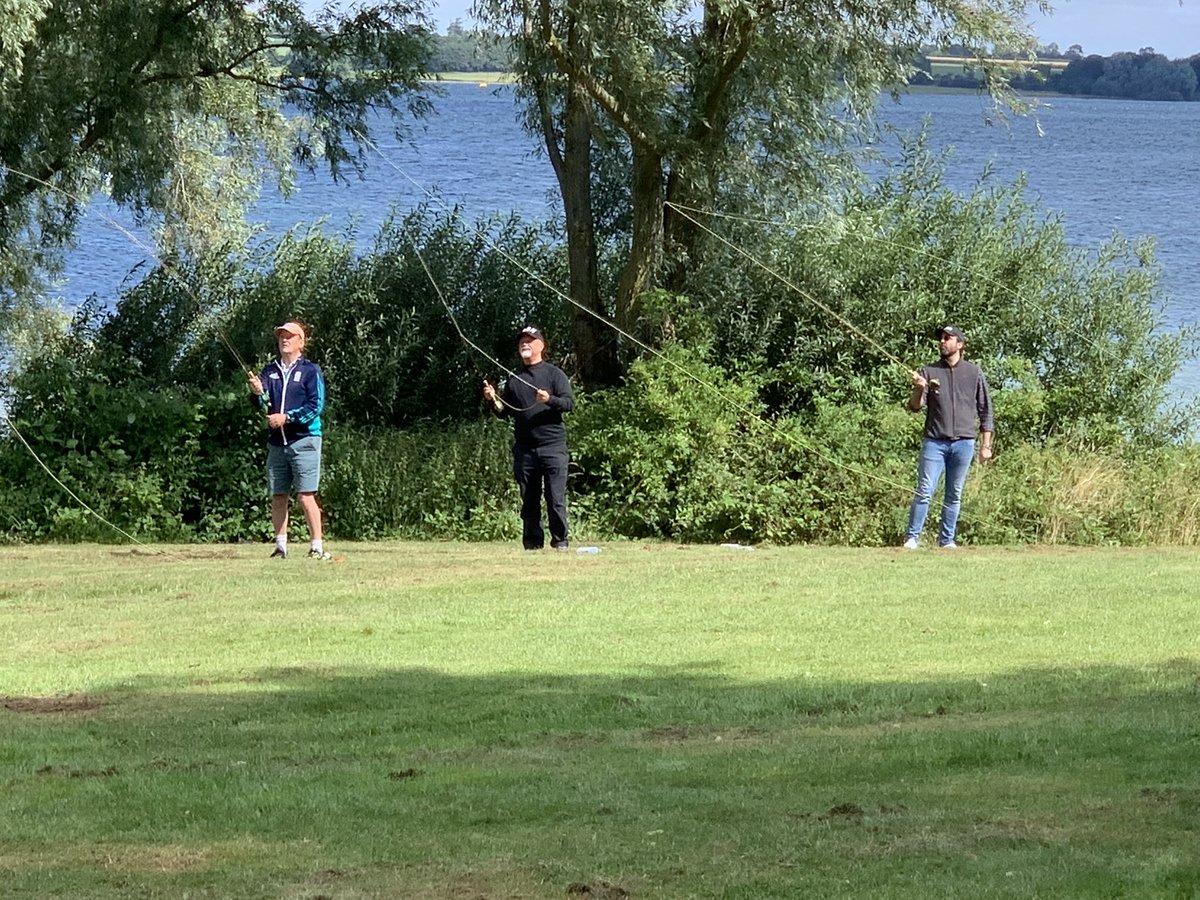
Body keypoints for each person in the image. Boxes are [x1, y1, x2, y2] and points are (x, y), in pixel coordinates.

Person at [483, 325, 575, 551]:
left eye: (530, 340)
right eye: (522, 341)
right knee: (529, 500)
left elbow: (569, 403)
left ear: (541, 346)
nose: (525, 343)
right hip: (525, 450)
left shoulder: (555, 374)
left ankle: (560, 542)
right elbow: (505, 412)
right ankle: (532, 545)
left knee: (555, 498)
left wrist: (549, 399)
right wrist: (492, 399)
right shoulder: (514, 379)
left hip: (553, 448)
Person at [903, 325, 994, 550]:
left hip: (964, 442)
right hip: (934, 441)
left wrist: (986, 445)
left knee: (954, 493)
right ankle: (912, 538)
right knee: (925, 490)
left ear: (959, 344)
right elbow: (915, 407)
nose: (942, 342)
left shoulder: (974, 373)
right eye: (941, 339)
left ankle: (947, 541)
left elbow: (986, 409)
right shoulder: (929, 371)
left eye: (947, 338)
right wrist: (918, 388)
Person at [247, 320, 331, 560]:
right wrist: (256, 393)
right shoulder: (269, 371)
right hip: (277, 443)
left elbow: (316, 406)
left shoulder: (310, 370)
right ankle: (280, 547)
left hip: (305, 440)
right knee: (278, 495)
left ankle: (317, 546)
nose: (285, 339)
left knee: (306, 495)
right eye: (282, 336)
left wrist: (287, 418)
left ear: (300, 342)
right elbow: (263, 404)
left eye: (290, 336)